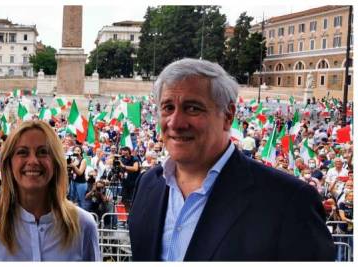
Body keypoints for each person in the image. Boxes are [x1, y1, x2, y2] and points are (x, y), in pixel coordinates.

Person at [128, 58, 334, 261]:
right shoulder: (148, 184)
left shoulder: (289, 201)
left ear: (228, 116)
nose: (176, 122)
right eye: (168, 108)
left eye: (192, 108)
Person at [0, 120, 100, 261]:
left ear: (56, 162)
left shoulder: (84, 225)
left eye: (43, 152)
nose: (33, 161)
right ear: (9, 163)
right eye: (23, 152)